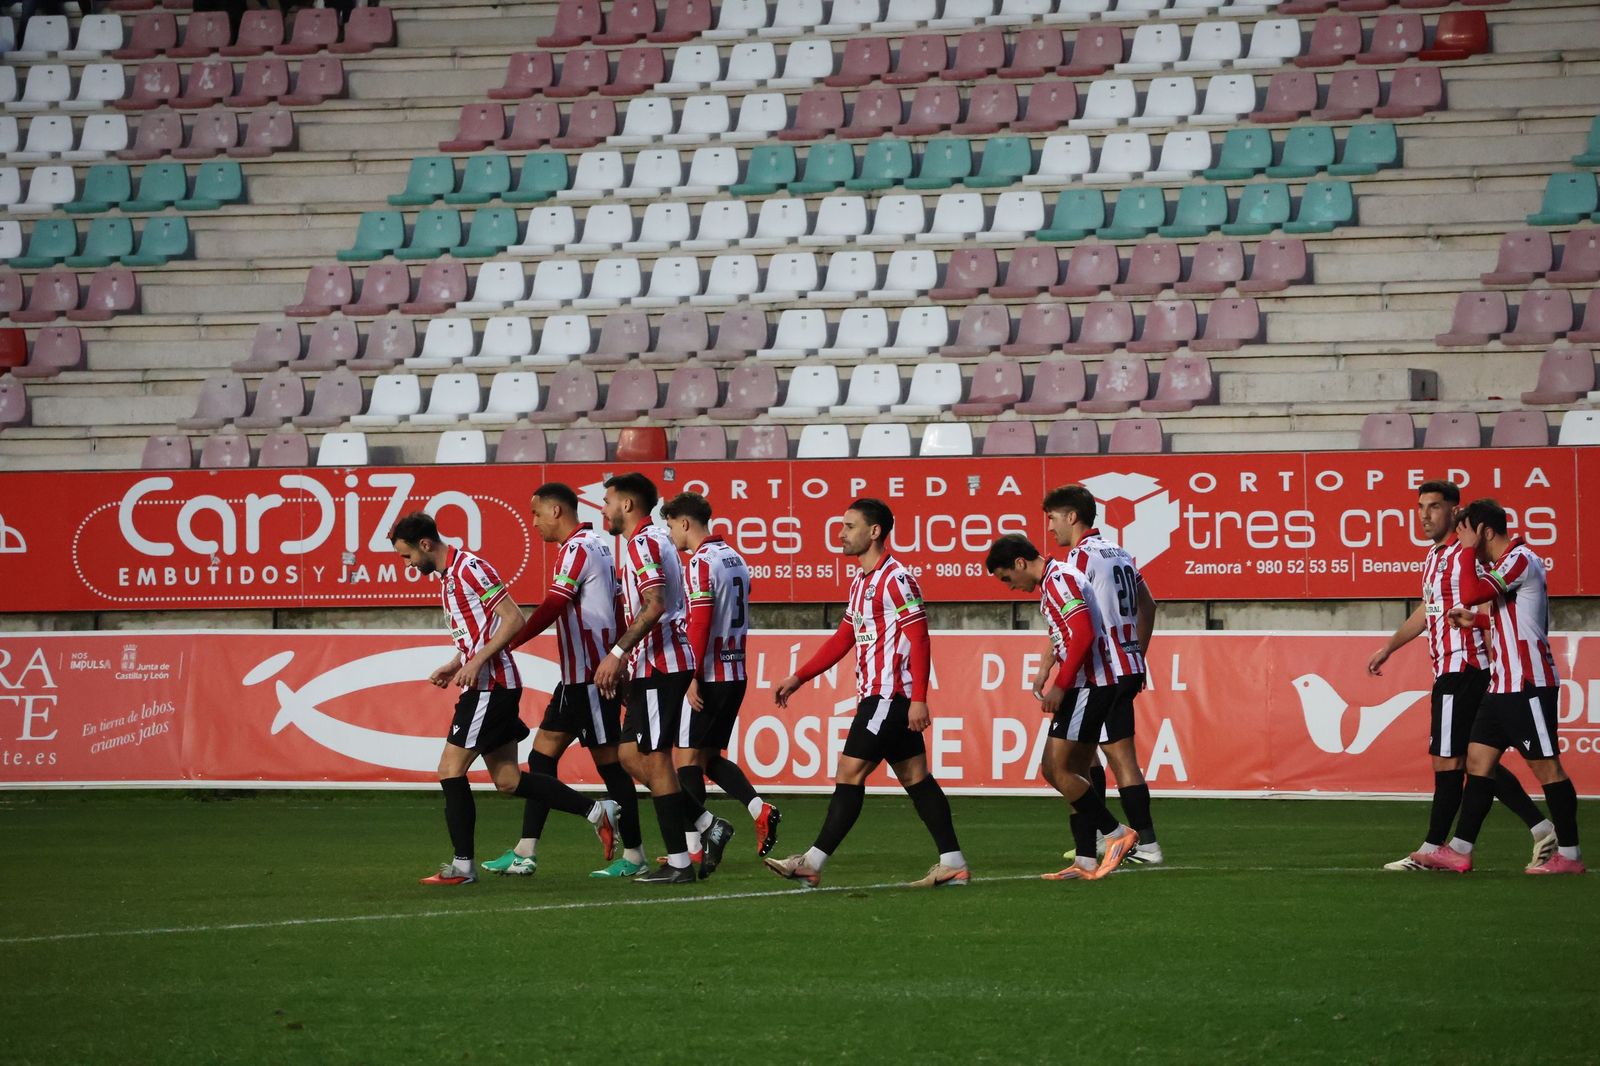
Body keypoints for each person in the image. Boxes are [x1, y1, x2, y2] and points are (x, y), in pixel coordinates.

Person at [387, 512, 618, 887]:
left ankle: (463, 866)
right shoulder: (450, 577)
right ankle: (596, 811)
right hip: (490, 684)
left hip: (490, 687)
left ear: (425, 545)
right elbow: (481, 633)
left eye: (407, 556)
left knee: (449, 769)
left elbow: (513, 618)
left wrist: (477, 661)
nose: (408, 564)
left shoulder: (469, 568)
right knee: (508, 779)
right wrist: (456, 663)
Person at [764, 499, 970, 889]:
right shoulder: (861, 582)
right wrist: (799, 676)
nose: (841, 533)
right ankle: (953, 862)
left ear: (874, 531)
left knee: (850, 772)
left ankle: (811, 862)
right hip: (883, 697)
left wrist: (919, 698)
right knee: (915, 776)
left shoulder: (896, 579)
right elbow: (844, 638)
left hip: (888, 696)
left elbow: (920, 638)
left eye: (849, 526)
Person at [1367, 481, 1556, 872]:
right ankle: (1541, 829)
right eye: (1420, 507)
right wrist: (1389, 647)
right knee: (1476, 761)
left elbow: (1490, 603)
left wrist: (1492, 655)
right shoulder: (1434, 556)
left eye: (1434, 506)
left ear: (1455, 511)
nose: (1424, 515)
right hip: (1449, 668)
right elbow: (1429, 610)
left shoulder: (1468, 555)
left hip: (1466, 666)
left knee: (1448, 760)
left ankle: (1433, 848)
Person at [485, 483, 649, 880]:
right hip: (578, 679)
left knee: (611, 765)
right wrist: (621, 656)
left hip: (591, 679)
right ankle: (525, 851)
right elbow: (616, 607)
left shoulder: (577, 549)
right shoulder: (599, 546)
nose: (534, 522)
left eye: (536, 513)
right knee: (542, 758)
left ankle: (636, 853)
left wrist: (509, 643)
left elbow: (555, 604)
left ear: (556, 511)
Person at [1425, 500, 1584, 874]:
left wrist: (1467, 553)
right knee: (1478, 762)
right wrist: (1478, 622)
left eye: (1467, 532)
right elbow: (1514, 619)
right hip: (1501, 685)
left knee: (1547, 769)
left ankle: (1570, 854)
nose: (1462, 540)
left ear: (1484, 531)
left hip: (1527, 684)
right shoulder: (1505, 564)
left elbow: (1472, 592)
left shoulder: (1519, 558)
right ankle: (1460, 850)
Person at [593, 473, 735, 884]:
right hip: (652, 665)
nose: (603, 508)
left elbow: (654, 604)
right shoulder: (655, 540)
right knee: (629, 756)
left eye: (608, 501)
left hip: (662, 665)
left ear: (627, 504)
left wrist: (617, 654)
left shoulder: (644, 542)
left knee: (654, 761)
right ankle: (707, 823)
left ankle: (679, 863)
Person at [986, 534, 1139, 881]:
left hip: (1088, 684)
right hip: (1091, 683)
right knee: (1075, 770)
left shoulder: (1059, 580)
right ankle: (1085, 859)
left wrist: (1060, 684)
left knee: (1055, 769)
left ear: (1020, 563)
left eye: (1007, 578)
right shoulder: (1056, 580)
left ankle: (1116, 833)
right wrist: (1046, 669)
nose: (1011, 587)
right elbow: (1067, 636)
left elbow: (1083, 634)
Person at [1043, 485, 1163, 865]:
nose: (1050, 527)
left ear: (1071, 516)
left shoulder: (1079, 558)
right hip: (1125, 664)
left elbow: (1072, 617)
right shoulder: (1119, 552)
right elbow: (1149, 605)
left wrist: (1046, 666)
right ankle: (1101, 837)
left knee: (1104, 758)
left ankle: (1143, 844)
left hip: (1103, 670)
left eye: (1052, 518)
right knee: (1089, 755)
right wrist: (1136, 654)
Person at [661, 491, 783, 857]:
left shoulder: (700, 562)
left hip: (709, 674)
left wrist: (691, 674)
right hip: (735, 672)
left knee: (685, 761)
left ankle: (694, 847)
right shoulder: (735, 558)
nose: (670, 534)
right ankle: (759, 809)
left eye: (671, 526)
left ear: (685, 523)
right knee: (707, 758)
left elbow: (700, 623)